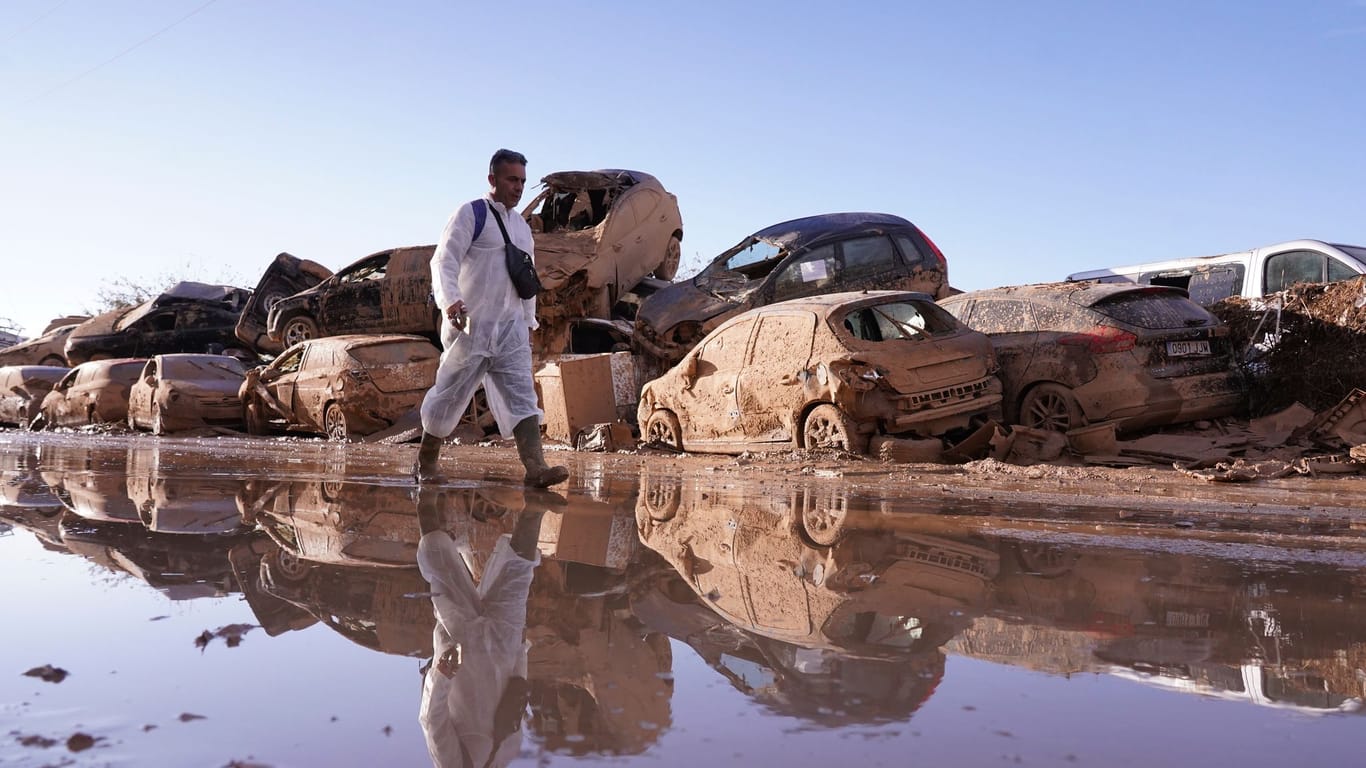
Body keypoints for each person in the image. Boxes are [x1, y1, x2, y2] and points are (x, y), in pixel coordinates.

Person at [416, 149, 568, 488]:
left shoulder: (522, 229)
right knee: (449, 394)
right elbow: (444, 261)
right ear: (493, 180)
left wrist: (529, 324)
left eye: (522, 182)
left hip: (511, 330)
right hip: (471, 327)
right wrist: (451, 302)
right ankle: (426, 461)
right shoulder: (472, 214)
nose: (518, 187)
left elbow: (525, 281)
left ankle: (536, 467)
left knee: (522, 395)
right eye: (512, 180)